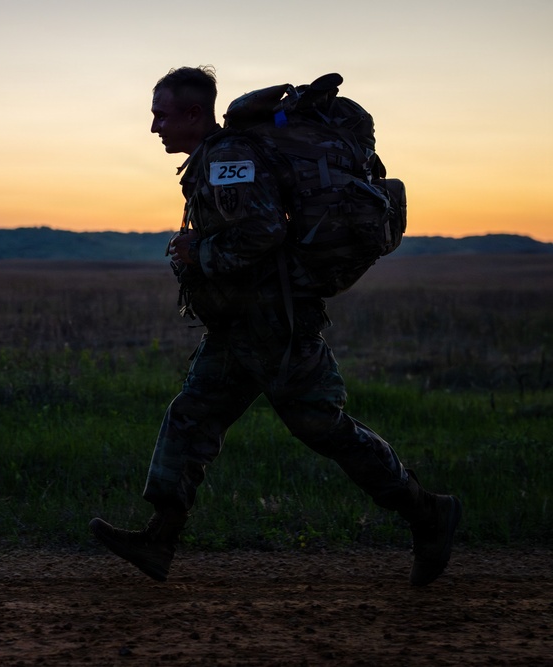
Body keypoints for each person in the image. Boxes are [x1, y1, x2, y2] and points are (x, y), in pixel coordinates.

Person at [89, 66, 461, 587]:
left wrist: (201, 253)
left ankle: (428, 514)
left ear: (194, 113)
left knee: (323, 428)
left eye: (162, 115)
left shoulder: (227, 160)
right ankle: (159, 539)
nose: (155, 127)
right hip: (242, 326)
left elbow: (262, 232)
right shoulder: (217, 159)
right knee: (192, 417)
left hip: (274, 327)